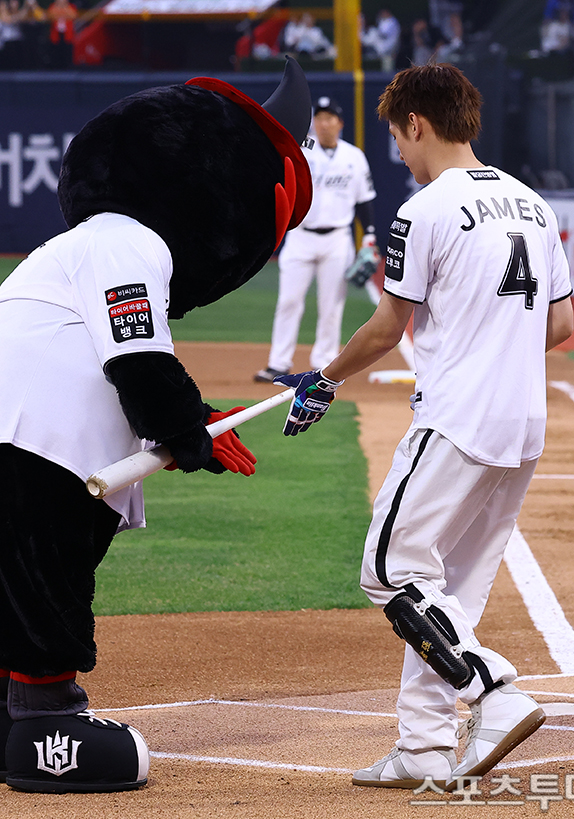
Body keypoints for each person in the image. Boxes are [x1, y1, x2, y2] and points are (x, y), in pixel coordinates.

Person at [0, 57, 312, 793]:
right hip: (36, 440)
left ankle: (15, 715)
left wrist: (194, 421)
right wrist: (181, 427)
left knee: (17, 576)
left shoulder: (84, 249)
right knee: (46, 572)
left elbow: (121, 354)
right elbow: (136, 353)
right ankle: (47, 724)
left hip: (31, 431)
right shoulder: (123, 238)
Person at [274, 62, 574, 790]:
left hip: (456, 418)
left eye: (398, 136)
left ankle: (493, 691)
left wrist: (324, 378)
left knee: (389, 568)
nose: (398, 152)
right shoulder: (533, 204)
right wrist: (495, 351)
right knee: (447, 592)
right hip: (521, 423)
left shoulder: (424, 209)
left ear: (417, 123)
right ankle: (424, 746)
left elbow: (387, 326)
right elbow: (561, 324)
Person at [254, 96, 376, 384]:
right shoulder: (302, 153)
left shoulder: (353, 157)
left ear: (340, 123)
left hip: (337, 238)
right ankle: (278, 363)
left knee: (331, 305)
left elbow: (364, 200)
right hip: (301, 237)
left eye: (329, 118)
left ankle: (324, 365)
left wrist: (369, 235)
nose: (324, 124)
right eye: (319, 118)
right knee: (289, 301)